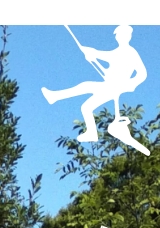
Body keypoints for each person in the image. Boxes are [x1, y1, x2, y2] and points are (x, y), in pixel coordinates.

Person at [41, 26, 149, 154]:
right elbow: (107, 57)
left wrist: (128, 83)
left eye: (122, 35)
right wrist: (92, 54)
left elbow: (142, 74)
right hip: (110, 85)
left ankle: (54, 96)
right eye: (118, 35)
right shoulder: (117, 52)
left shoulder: (130, 52)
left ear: (128, 36)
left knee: (86, 86)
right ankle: (92, 132)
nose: (119, 37)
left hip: (115, 87)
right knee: (86, 107)